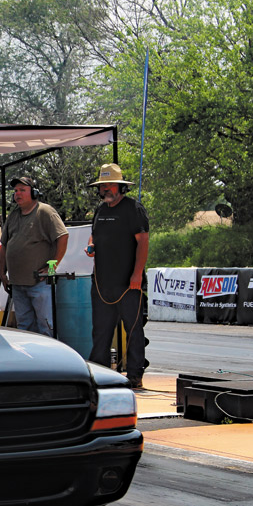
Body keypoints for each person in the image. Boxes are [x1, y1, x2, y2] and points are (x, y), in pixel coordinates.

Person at [85, 163, 149, 389]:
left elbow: (143, 242)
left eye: (110, 185)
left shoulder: (134, 209)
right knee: (101, 331)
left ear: (121, 186)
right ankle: (98, 375)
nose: (106, 190)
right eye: (103, 186)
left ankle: (134, 375)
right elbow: (93, 236)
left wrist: (137, 275)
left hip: (129, 282)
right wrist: (91, 246)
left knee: (132, 329)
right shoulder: (100, 210)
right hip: (102, 283)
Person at [0, 176, 68, 336]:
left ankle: (49, 359)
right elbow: (4, 245)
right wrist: (2, 273)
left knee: (45, 325)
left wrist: (52, 267)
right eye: (16, 191)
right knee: (25, 327)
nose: (18, 194)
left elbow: (63, 237)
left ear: (34, 193)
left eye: (22, 190)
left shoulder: (45, 212)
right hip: (17, 283)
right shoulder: (14, 215)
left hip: (39, 283)